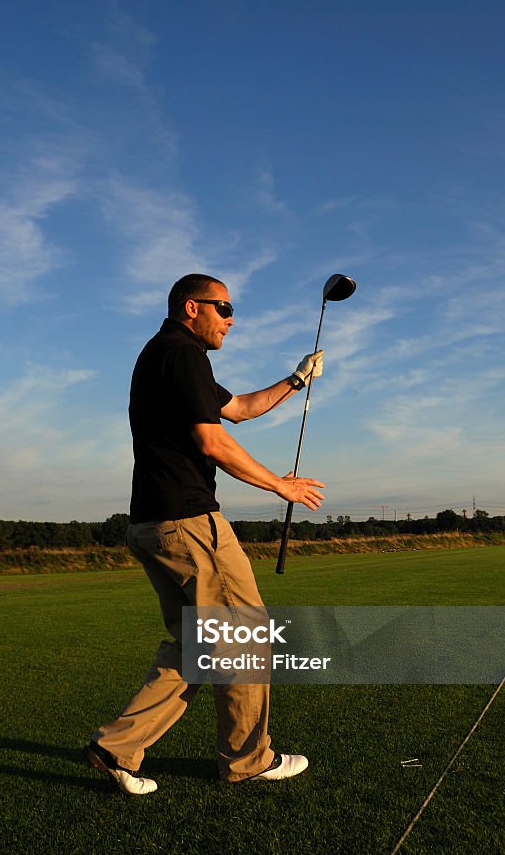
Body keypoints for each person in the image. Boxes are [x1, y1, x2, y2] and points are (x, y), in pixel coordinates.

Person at [85, 273, 325, 795]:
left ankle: (117, 748)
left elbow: (237, 409)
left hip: (150, 525)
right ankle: (248, 761)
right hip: (188, 525)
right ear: (192, 308)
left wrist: (296, 379)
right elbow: (212, 443)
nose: (232, 318)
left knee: (197, 646)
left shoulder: (164, 355)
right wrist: (279, 487)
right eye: (224, 307)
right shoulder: (184, 353)